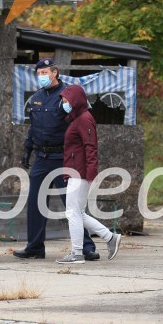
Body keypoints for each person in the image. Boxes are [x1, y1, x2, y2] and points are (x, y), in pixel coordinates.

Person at [13, 58, 98, 260]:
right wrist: (27, 150)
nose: (41, 76)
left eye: (45, 72)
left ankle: (86, 247)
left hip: (63, 156)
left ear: (55, 72)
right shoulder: (35, 99)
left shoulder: (67, 97)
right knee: (35, 202)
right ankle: (35, 247)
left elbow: (80, 120)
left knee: (73, 206)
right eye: (39, 73)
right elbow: (33, 128)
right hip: (42, 156)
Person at [56, 84, 121, 264]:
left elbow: (90, 147)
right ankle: (110, 238)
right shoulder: (77, 118)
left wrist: (91, 173)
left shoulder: (84, 119)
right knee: (78, 213)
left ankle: (77, 253)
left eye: (66, 100)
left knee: (72, 213)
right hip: (76, 171)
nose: (63, 103)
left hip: (80, 173)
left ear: (75, 100)